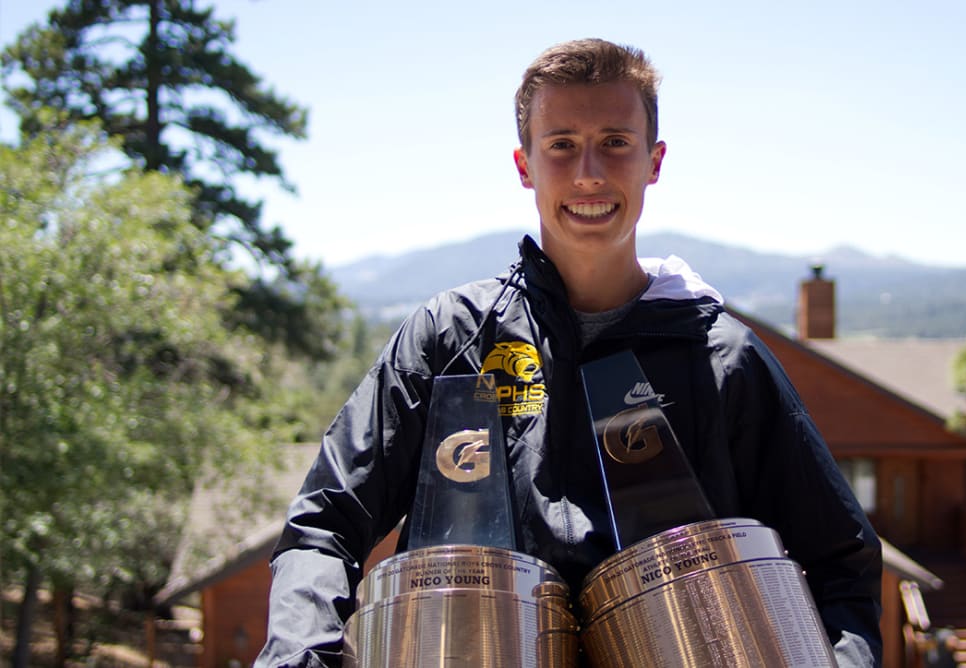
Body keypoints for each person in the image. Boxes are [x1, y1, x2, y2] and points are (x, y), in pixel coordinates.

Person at [256, 38, 882, 667]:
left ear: (654, 161)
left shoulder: (718, 357)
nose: (589, 173)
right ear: (525, 164)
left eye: (615, 141)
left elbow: (838, 564)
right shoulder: (453, 339)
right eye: (561, 145)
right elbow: (325, 526)